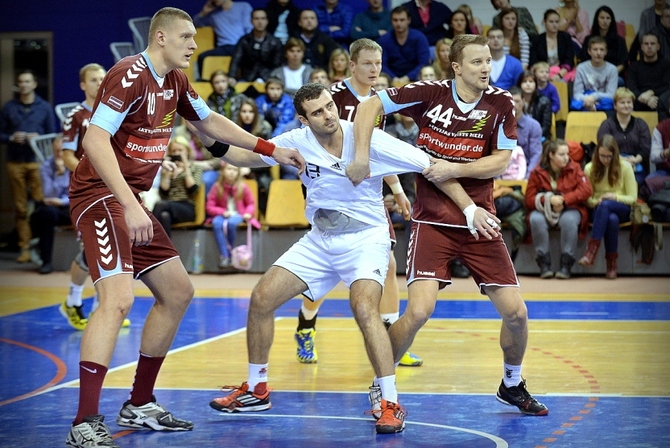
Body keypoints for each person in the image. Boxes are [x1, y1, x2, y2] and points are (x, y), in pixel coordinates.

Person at [64, 8, 305, 447]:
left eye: (195, 37)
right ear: (160, 37)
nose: (195, 45)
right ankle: (84, 422)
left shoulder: (175, 81)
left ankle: (139, 403)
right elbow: (94, 140)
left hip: (129, 200)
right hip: (100, 196)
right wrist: (129, 205)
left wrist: (272, 151)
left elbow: (211, 126)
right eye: (187, 37)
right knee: (117, 300)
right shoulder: (129, 74)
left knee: (177, 292)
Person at [203, 82, 493, 434]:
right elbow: (241, 156)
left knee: (364, 307)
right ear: (303, 119)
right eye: (318, 112)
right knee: (262, 298)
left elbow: (431, 166)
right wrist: (202, 130)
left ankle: (389, 401)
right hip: (320, 240)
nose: (328, 115)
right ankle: (256, 388)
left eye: (330, 106)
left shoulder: (366, 138)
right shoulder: (296, 141)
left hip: (365, 239)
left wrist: (469, 208)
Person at [349, 33, 549, 418]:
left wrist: (452, 168)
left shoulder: (500, 102)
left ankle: (511, 384)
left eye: (488, 61)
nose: (486, 68)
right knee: (419, 312)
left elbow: (500, 161)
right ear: (456, 67)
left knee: (517, 314)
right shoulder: (430, 93)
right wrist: (361, 155)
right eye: (477, 62)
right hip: (432, 221)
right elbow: (370, 103)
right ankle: (381, 384)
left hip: (479, 220)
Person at [294, 38, 422, 368]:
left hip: (366, 193)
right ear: (352, 65)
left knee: (388, 263)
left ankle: (392, 337)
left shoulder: (379, 101)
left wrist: (397, 189)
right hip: (331, 193)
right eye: (367, 63)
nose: (374, 69)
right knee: (329, 268)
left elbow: (376, 151)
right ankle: (306, 325)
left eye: (378, 63)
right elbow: (306, 141)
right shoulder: (332, 97)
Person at [59, 63, 113, 331]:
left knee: (110, 249)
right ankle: (73, 300)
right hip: (85, 192)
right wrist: (91, 172)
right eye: (93, 79)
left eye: (103, 78)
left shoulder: (114, 112)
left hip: (111, 189)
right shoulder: (76, 116)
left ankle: (100, 309)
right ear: (83, 85)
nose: (99, 83)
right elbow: (67, 156)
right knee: (90, 250)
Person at [0, 69, 55, 263]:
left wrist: (39, 138)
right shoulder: (9, 107)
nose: (23, 85)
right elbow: (1, 134)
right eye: (21, 82)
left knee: (42, 206)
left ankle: (40, 246)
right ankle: (24, 248)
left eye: (27, 81)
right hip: (15, 161)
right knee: (20, 208)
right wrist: (11, 138)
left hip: (38, 162)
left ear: (34, 84)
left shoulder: (44, 107)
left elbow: (53, 135)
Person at [526, 139, 592, 279]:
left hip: (570, 208)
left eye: (567, 154)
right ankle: (544, 264)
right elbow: (529, 199)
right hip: (545, 210)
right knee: (535, 219)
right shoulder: (537, 172)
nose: (566, 158)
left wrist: (564, 200)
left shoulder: (575, 168)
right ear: (551, 155)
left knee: (569, 220)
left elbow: (587, 190)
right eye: (562, 154)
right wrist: (548, 200)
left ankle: (566, 264)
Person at [578, 134, 637, 279]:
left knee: (607, 206)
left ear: (614, 155)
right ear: (597, 153)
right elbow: (587, 198)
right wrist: (595, 201)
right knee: (611, 219)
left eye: (609, 157)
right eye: (602, 156)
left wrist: (614, 197)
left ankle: (591, 252)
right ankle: (611, 265)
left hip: (621, 206)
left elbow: (632, 198)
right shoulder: (589, 168)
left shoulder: (625, 167)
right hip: (599, 209)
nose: (605, 160)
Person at [206, 162, 259, 269]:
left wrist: (248, 213)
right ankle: (224, 256)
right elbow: (209, 206)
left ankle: (230, 255)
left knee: (231, 223)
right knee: (216, 223)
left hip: (239, 215)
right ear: (223, 171)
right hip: (222, 215)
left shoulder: (243, 187)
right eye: (229, 169)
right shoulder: (217, 187)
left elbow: (251, 203)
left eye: (235, 170)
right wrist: (222, 212)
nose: (232, 172)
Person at [30, 134, 70, 274]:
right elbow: (49, 194)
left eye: (62, 151)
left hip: (71, 206)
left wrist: (62, 201)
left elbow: (78, 193)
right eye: (56, 151)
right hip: (54, 208)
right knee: (46, 214)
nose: (59, 154)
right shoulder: (46, 166)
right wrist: (60, 174)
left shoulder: (75, 163)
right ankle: (46, 261)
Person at [597, 88, 651, 188]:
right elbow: (604, 146)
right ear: (615, 106)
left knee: (634, 183)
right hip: (612, 165)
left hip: (636, 166)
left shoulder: (641, 124)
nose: (626, 105)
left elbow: (646, 147)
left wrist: (636, 160)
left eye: (629, 102)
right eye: (622, 102)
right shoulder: (607, 125)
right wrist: (622, 160)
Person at [153, 136, 204, 239]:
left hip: (187, 206)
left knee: (160, 204)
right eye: (174, 151)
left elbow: (192, 189)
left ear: (187, 151)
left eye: (180, 150)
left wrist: (185, 167)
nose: (177, 153)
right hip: (169, 204)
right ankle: (166, 248)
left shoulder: (195, 168)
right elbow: (163, 193)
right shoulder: (167, 169)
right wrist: (167, 173)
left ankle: (150, 240)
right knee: (164, 216)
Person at [193, 0, 253, 79]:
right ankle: (202, 80)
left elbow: (249, 28)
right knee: (202, 57)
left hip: (242, 45)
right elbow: (196, 23)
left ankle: (246, 79)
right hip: (224, 47)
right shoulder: (214, 14)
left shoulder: (243, 6)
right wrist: (204, 12)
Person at [235, 97, 273, 214]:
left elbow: (268, 160)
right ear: (239, 113)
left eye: (251, 112)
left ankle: (259, 216)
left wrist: (249, 169)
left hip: (259, 171)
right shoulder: (233, 130)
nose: (247, 115)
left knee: (261, 184)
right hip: (236, 169)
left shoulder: (264, 131)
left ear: (255, 114)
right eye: (244, 111)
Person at [227, 8, 283, 85]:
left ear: (267, 21)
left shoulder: (275, 42)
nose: (260, 22)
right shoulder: (244, 41)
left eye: (263, 18)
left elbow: (278, 65)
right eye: (256, 19)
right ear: (251, 21)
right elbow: (236, 60)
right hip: (247, 78)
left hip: (269, 79)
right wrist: (232, 76)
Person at [378, 6, 430, 85]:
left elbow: (424, 63)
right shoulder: (384, 39)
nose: (398, 24)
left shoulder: (419, 38)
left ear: (408, 20)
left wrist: (408, 77)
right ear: (391, 21)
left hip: (416, 80)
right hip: (390, 81)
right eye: (395, 20)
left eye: (402, 20)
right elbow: (382, 64)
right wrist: (393, 78)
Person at [580, 6, 628, 85]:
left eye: (608, 18)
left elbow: (622, 64)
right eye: (602, 18)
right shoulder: (589, 39)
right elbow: (584, 60)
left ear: (611, 20)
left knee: (619, 81)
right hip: (592, 75)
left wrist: (608, 75)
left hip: (612, 76)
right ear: (597, 19)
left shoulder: (620, 41)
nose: (605, 21)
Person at [570, 36, 617, 111]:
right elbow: (577, 94)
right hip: (585, 99)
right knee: (575, 103)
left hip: (602, 100)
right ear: (589, 51)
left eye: (602, 50)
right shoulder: (581, 68)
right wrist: (588, 99)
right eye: (595, 49)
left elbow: (611, 94)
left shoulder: (612, 69)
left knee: (609, 102)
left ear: (606, 52)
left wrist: (594, 97)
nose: (598, 53)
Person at [627, 33, 670, 113]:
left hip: (659, 102)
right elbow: (631, 88)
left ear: (658, 47)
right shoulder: (634, 66)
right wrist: (647, 100)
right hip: (639, 102)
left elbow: (667, 86)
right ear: (642, 47)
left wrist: (651, 92)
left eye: (652, 44)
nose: (649, 46)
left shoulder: (666, 65)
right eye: (646, 44)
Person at [529, 9, 576, 82]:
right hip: (543, 73)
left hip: (562, 72)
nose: (554, 25)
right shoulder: (537, 40)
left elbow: (569, 59)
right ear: (544, 22)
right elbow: (533, 62)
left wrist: (559, 75)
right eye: (551, 22)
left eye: (557, 22)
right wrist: (544, 74)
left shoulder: (566, 37)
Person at [510, 86, 543, 175]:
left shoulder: (534, 126)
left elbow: (535, 155)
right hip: (504, 171)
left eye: (517, 101)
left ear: (524, 102)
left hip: (527, 170)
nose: (514, 105)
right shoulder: (498, 125)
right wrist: (498, 179)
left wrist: (527, 177)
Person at [518, 70, 552, 141]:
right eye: (524, 81)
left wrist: (533, 135)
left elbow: (546, 126)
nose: (528, 84)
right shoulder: (514, 100)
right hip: (519, 136)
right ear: (519, 84)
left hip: (539, 137)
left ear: (536, 84)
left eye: (531, 82)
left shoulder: (544, 101)